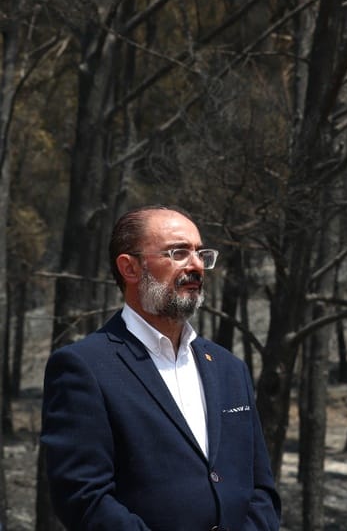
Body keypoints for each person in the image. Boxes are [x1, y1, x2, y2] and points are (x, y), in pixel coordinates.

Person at [41, 205, 281, 531]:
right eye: (178, 253)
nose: (196, 265)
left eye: (200, 253)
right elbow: (83, 497)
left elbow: (261, 488)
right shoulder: (83, 367)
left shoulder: (229, 368)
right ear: (130, 268)